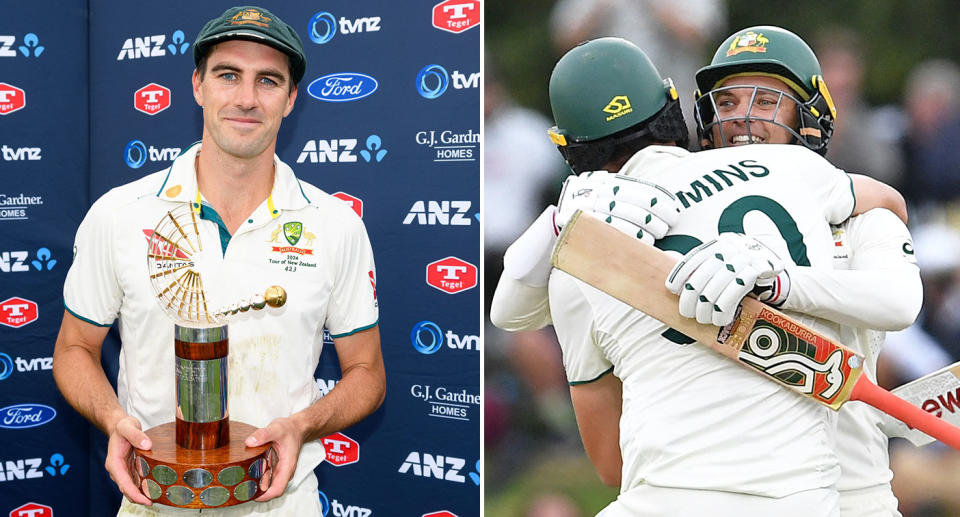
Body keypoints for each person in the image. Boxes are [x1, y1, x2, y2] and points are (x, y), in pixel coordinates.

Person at [490, 33, 919, 516]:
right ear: (687, 114)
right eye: (729, 101)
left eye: (768, 101)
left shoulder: (853, 209)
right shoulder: (795, 172)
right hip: (796, 495)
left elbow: (898, 300)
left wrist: (778, 282)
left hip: (853, 497)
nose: (745, 117)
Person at [52, 6, 384, 516]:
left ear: (291, 98)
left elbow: (366, 372)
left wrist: (300, 426)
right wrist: (114, 420)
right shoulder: (119, 215)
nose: (246, 98)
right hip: (155, 501)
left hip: (283, 503)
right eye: (228, 75)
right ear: (197, 86)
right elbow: (75, 348)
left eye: (268, 81)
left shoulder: (336, 224)